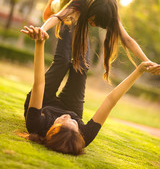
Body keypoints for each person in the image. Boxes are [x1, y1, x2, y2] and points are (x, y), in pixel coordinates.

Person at [21, 23, 160, 156]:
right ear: (79, 133)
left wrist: (40, 43)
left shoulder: (36, 125)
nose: (68, 116)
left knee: (62, 62)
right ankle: (82, 23)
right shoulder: (84, 136)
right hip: (72, 106)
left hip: (42, 103)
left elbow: (39, 84)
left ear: (52, 129)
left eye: (63, 119)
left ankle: (67, 18)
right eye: (74, 123)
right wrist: (139, 70)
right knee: (81, 66)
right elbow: (110, 101)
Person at [40, 0, 159, 80]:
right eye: (92, 20)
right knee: (68, 16)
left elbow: (127, 39)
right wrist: (42, 30)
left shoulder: (109, 12)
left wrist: (148, 61)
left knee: (75, 17)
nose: (93, 25)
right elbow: (58, 17)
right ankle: (53, 2)